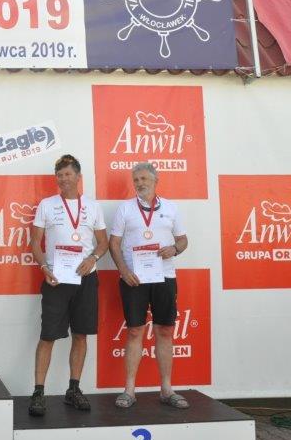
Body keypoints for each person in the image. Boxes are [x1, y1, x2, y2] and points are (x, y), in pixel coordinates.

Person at [27, 155, 108, 416]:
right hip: (56, 278)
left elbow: (103, 242)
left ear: (78, 177)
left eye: (68, 174)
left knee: (81, 334)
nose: (63, 179)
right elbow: (35, 242)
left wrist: (92, 258)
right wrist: (44, 267)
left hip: (86, 278)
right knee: (48, 336)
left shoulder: (93, 206)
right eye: (59, 175)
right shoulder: (47, 205)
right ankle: (38, 392)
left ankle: (73, 389)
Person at [109, 162, 189, 409]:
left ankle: (166, 389)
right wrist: (123, 271)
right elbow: (114, 244)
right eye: (136, 180)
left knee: (164, 330)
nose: (140, 183)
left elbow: (183, 240)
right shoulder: (125, 208)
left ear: (156, 180)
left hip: (164, 276)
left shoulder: (171, 208)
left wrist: (174, 249)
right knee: (135, 331)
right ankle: (129, 391)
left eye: (144, 178)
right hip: (134, 278)